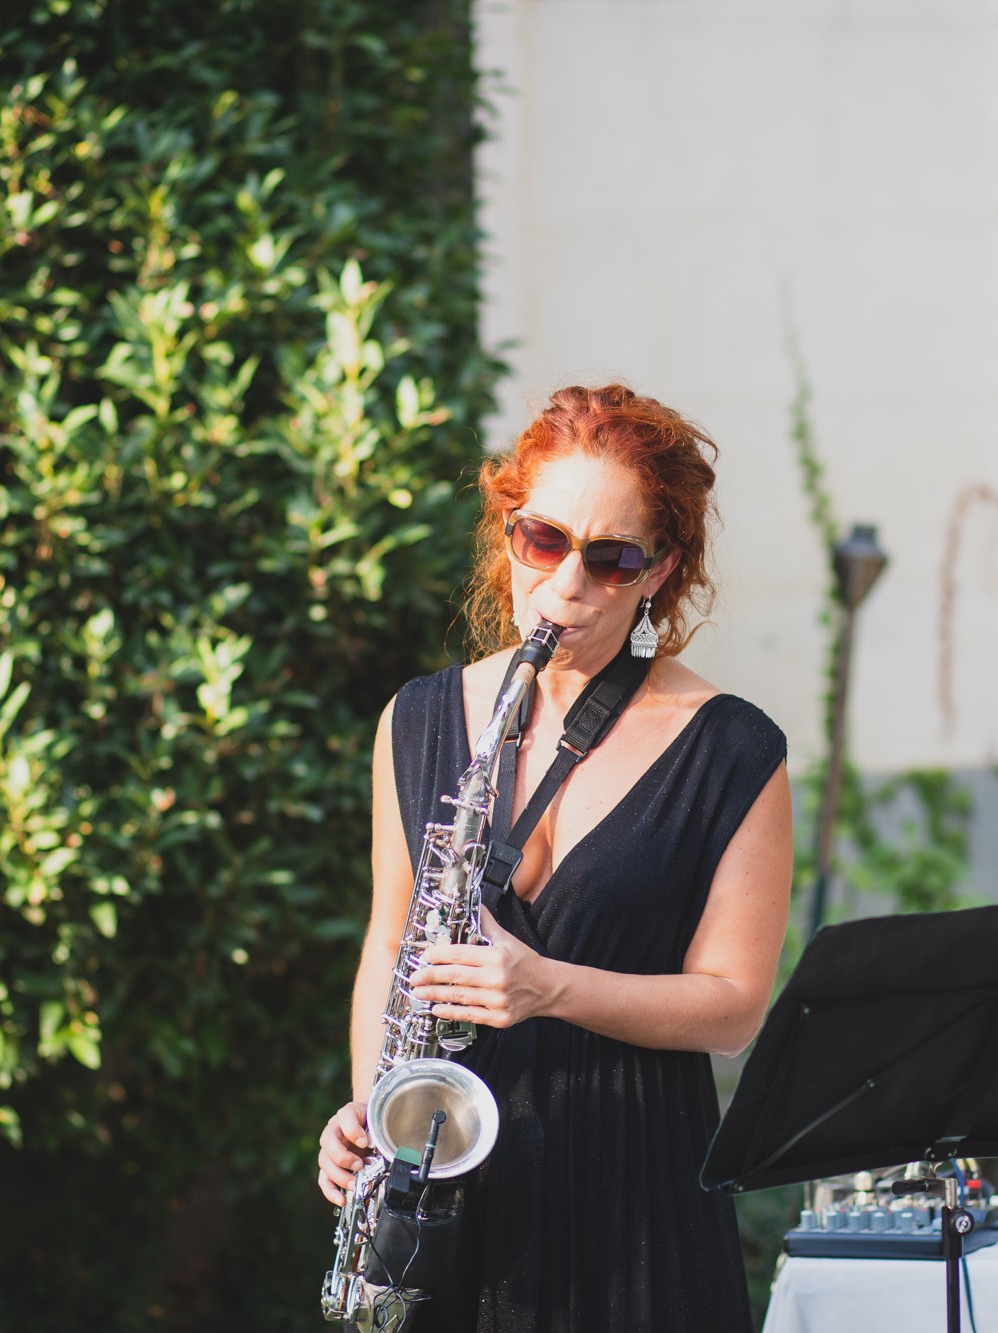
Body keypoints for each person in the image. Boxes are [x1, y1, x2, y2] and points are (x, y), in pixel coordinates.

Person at [316, 384, 794, 1331]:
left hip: (638, 1202)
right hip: (451, 1190)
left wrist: (550, 986)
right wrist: (379, 1105)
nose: (567, 586)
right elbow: (390, 947)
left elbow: (735, 1006)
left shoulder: (732, 747)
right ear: (509, 536)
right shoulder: (414, 718)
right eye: (544, 541)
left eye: (611, 558)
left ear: (658, 571)